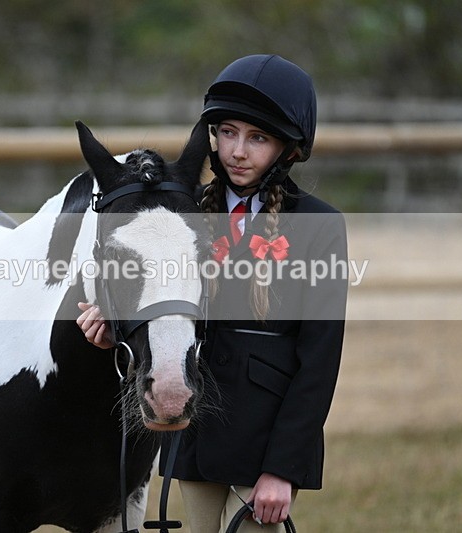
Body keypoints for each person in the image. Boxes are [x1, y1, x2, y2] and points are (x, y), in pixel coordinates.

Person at [77, 54, 347, 532]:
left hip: (267, 445)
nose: (237, 151)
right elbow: (164, 314)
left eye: (257, 138)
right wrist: (113, 334)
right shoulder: (186, 216)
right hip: (198, 435)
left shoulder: (319, 226)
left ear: (289, 149)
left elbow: (320, 362)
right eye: (227, 133)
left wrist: (283, 469)